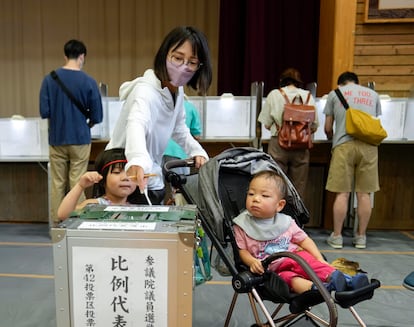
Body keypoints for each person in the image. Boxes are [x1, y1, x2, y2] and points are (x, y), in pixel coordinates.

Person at [105, 26, 212, 205]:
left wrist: (196, 150)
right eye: (178, 58)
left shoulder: (176, 90)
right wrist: (138, 159)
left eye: (192, 62)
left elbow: (179, 128)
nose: (183, 66)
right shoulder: (145, 91)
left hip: (151, 176)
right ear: (164, 55)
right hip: (125, 175)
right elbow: (136, 124)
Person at [233, 170, 369, 294]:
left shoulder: (286, 222)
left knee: (307, 262)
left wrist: (319, 259)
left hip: (294, 258)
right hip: (271, 271)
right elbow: (242, 251)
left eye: (264, 195)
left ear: (279, 205)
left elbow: (304, 240)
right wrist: (252, 262)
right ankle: (318, 289)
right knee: (288, 279)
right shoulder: (241, 225)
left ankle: (344, 280)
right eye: (251, 194)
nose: (255, 199)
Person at [39, 39, 103, 226]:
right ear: (82, 57)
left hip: (57, 138)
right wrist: (86, 124)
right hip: (81, 138)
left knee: (57, 182)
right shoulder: (89, 81)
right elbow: (98, 116)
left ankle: (56, 223)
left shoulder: (49, 79)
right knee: (78, 181)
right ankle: (76, 223)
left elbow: (45, 112)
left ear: (65, 56)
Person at [324, 71, 382, 249]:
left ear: (340, 83)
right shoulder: (373, 94)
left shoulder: (335, 94)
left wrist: (332, 137)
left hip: (344, 145)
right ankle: (361, 237)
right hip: (369, 147)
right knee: (364, 194)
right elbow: (374, 122)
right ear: (357, 82)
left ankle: (337, 237)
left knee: (342, 193)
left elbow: (327, 127)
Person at [258, 68, 318, 197]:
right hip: (302, 146)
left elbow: (267, 123)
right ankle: (295, 216)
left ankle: (277, 214)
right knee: (299, 186)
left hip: (279, 143)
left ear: (282, 80)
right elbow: (314, 125)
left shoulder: (274, 94)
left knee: (275, 182)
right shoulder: (308, 96)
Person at [57, 148, 138, 221]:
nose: (125, 178)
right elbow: (63, 215)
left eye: (130, 173)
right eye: (117, 172)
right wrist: (80, 186)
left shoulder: (139, 206)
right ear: (102, 179)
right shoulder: (94, 205)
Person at [162, 96, 202, 203]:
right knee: (180, 190)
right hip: (178, 155)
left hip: (158, 152)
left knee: (158, 190)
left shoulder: (162, 105)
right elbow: (197, 135)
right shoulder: (190, 107)